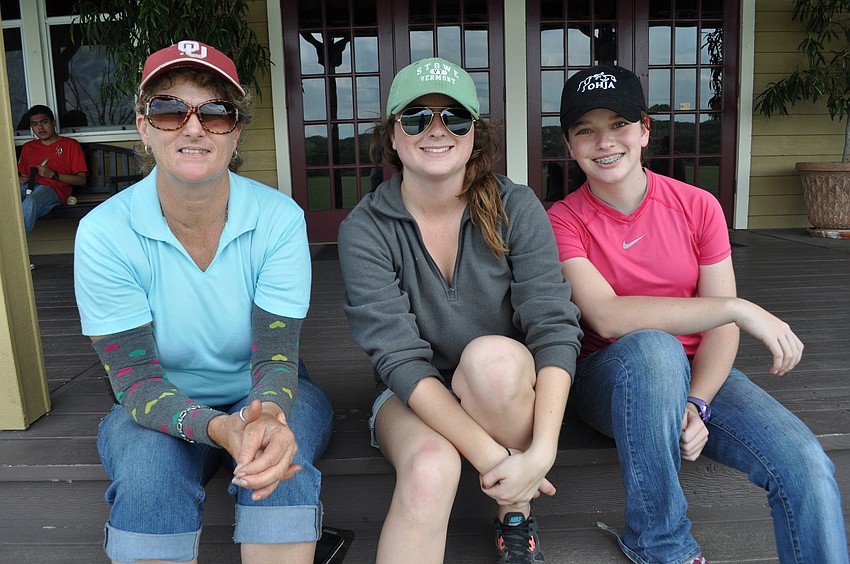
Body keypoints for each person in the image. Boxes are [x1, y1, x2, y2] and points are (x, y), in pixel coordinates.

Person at [547, 65, 849, 564]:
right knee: (654, 346)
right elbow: (606, 317)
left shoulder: (697, 206)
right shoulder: (563, 220)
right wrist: (735, 306)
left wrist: (697, 403)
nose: (605, 142)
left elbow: (720, 332)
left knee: (806, 466)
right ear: (570, 144)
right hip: (613, 382)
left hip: (700, 377)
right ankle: (661, 544)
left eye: (619, 124)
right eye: (586, 130)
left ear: (644, 130)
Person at [73, 40, 333, 564]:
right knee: (149, 471)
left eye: (216, 113)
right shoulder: (104, 232)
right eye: (170, 109)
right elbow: (137, 382)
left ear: (235, 133)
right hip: (154, 399)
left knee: (281, 459)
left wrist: (264, 419)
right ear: (144, 127)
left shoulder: (279, 219)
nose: (193, 127)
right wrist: (218, 428)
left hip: (265, 387)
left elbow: (276, 357)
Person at [338, 57, 583, 564]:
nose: (436, 131)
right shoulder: (366, 228)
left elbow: (554, 326)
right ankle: (516, 498)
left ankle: (513, 520)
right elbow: (400, 361)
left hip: (500, 387)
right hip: (410, 397)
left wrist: (542, 453)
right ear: (392, 136)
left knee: (491, 360)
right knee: (431, 467)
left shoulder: (517, 206)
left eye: (454, 117)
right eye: (415, 118)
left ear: (475, 132)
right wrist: (501, 463)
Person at [16, 104, 88, 233]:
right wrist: (20, 179)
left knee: (30, 203)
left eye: (44, 122)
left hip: (54, 190)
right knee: (6, 200)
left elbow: (82, 180)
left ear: (53, 122)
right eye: (35, 124)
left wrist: (53, 175)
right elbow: (22, 175)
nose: (40, 127)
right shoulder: (28, 147)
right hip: (29, 187)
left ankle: (14, 249)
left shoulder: (70, 144)